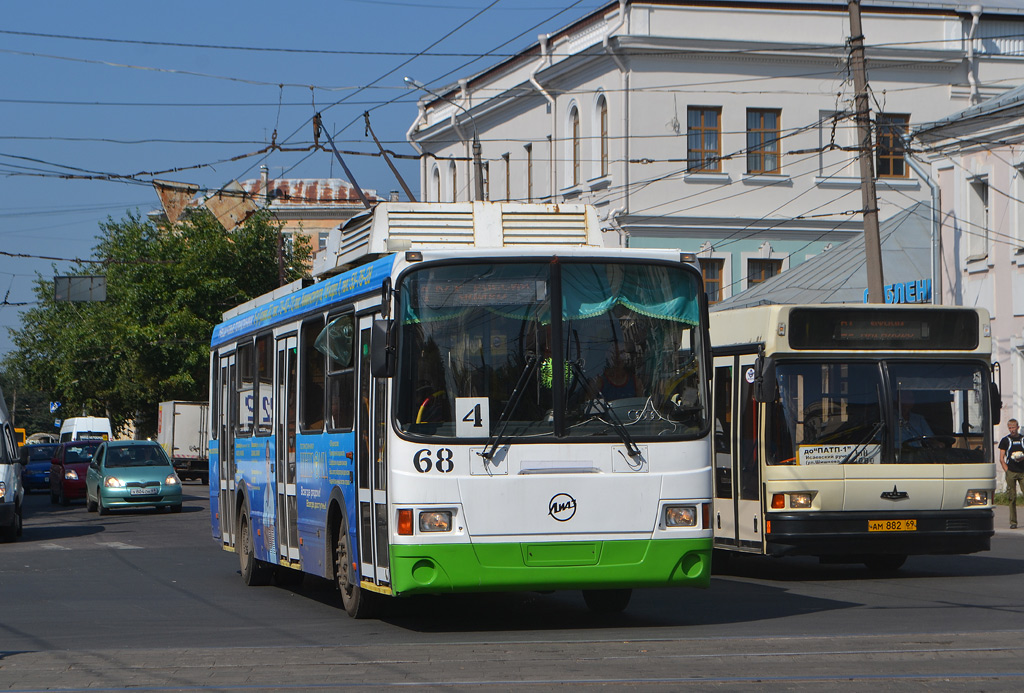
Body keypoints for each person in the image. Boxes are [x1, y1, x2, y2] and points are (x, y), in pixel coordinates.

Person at [998, 419, 1024, 529]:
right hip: (1011, 472)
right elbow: (1001, 458)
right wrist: (1006, 470)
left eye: (1013, 428)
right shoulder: (1005, 440)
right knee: (1012, 497)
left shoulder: (1022, 439)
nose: (1012, 430)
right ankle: (1013, 522)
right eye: (1010, 428)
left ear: (1018, 427)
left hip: (1022, 471)